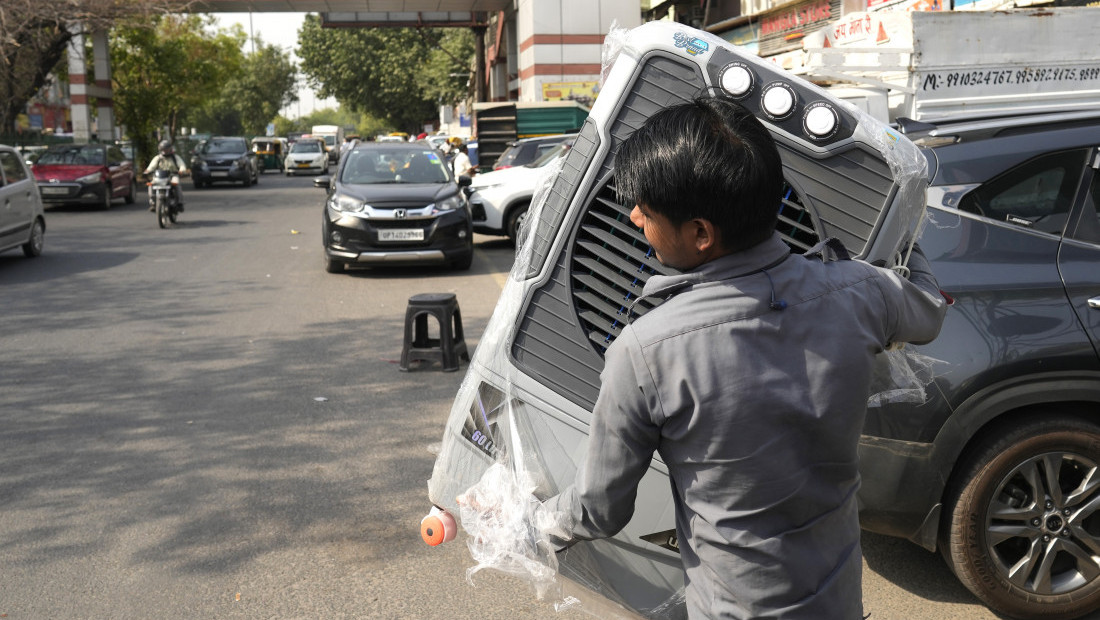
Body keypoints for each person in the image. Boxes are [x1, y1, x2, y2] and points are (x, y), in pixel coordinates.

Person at [541, 95, 948, 619]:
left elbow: (599, 508)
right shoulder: (862, 292)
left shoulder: (645, 353)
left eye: (647, 208)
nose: (634, 214)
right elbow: (931, 311)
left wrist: (525, 524)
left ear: (701, 234)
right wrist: (910, 233)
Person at [143, 140, 188, 212]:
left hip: (173, 175)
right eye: (163, 149)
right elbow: (152, 166)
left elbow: (182, 165)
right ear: (160, 150)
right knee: (151, 185)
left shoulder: (175, 157)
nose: (165, 151)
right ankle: (153, 203)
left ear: (170, 149)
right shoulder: (158, 158)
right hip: (159, 177)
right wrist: (147, 171)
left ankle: (180, 203)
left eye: (167, 149)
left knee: (177, 184)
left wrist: (181, 170)